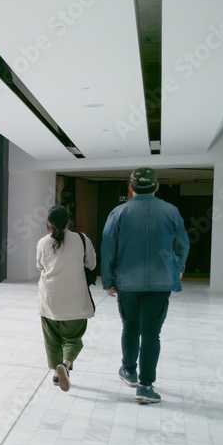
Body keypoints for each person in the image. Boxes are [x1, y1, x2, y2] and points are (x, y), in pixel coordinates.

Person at [101, 167, 190, 404]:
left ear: (130, 188)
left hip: (127, 282)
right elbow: (182, 244)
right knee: (151, 333)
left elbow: (108, 248)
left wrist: (108, 280)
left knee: (130, 326)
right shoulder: (171, 211)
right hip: (160, 282)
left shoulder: (118, 212)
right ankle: (145, 386)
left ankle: (128, 371)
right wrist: (178, 268)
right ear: (157, 186)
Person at [36, 205, 96, 392]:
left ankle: (56, 373)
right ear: (68, 221)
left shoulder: (43, 242)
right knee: (72, 337)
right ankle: (65, 364)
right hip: (75, 299)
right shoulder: (81, 239)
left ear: (49, 223)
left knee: (52, 339)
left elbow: (40, 266)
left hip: (49, 298)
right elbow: (92, 264)